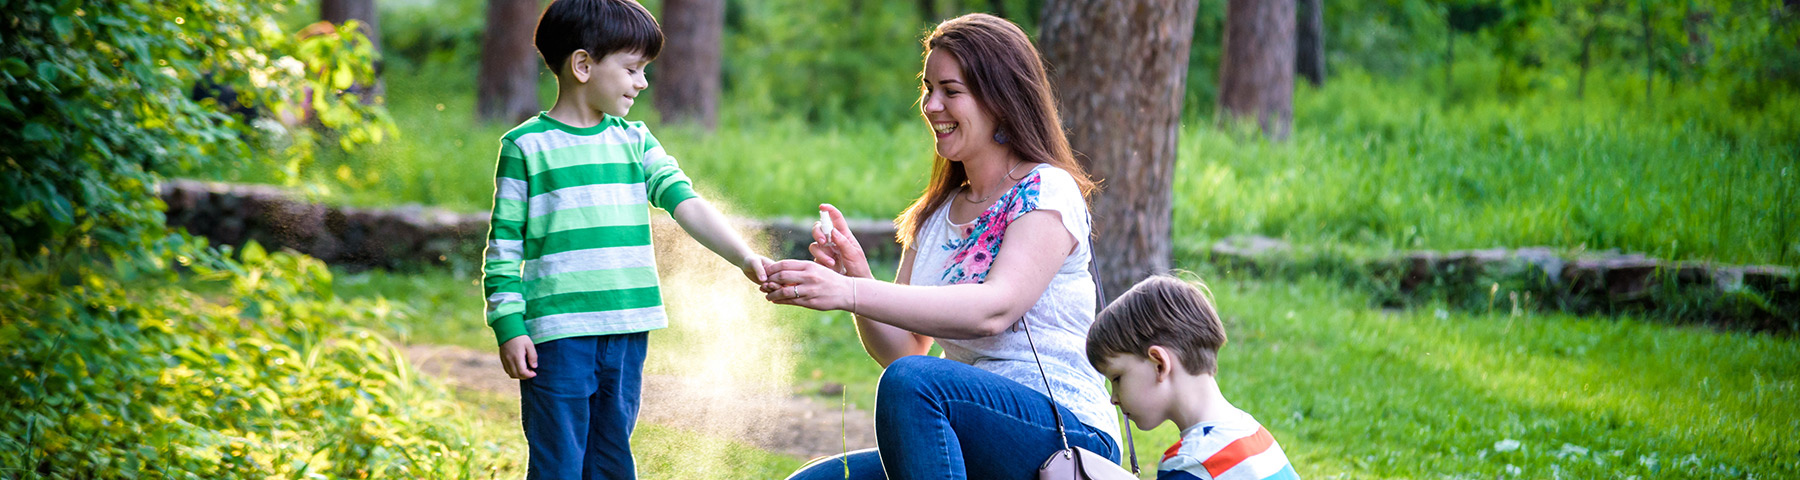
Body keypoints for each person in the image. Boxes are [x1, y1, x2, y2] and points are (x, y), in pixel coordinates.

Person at [763, 13, 1120, 479]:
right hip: (963, 424)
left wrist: (847, 293)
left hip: (1064, 436)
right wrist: (858, 281)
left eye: (951, 91)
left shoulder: (1045, 190)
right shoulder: (936, 216)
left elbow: (994, 308)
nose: (932, 105)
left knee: (914, 385)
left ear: (1001, 98)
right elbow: (908, 353)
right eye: (928, 88)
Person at [478, 0, 771, 477]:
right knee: (559, 461)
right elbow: (504, 247)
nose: (643, 82)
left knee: (612, 457)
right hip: (558, 335)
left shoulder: (635, 140)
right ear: (583, 65)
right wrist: (509, 325)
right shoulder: (526, 147)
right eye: (633, 68)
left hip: (628, 329)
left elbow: (686, 201)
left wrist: (743, 256)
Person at [1085, 276, 1299, 480]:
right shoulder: (1255, 435)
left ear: (1159, 364)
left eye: (1117, 378)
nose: (1113, 398)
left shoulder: (1192, 464)